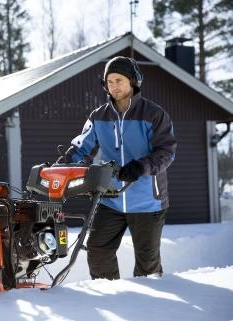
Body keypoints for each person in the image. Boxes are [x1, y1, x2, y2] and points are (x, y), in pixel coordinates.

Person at [63, 56, 177, 279]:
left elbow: (166, 152)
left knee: (148, 264)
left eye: (119, 80)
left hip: (148, 202)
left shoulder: (153, 114)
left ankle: (152, 307)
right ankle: (115, 297)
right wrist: (64, 167)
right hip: (111, 198)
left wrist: (141, 166)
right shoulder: (98, 116)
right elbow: (81, 148)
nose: (114, 86)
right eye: (109, 81)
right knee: (98, 252)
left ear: (133, 82)